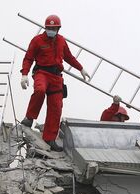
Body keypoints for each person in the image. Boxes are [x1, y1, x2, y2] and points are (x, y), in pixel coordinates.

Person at [20, 14, 91, 152]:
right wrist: (24, 74)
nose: (51, 30)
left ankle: (50, 138)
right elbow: (28, 58)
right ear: (45, 28)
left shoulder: (61, 41)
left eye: (53, 28)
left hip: (56, 77)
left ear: (58, 28)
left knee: (56, 107)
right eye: (48, 28)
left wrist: (81, 68)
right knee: (40, 90)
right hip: (42, 73)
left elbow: (69, 57)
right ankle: (29, 117)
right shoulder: (37, 40)